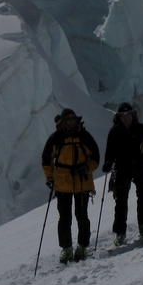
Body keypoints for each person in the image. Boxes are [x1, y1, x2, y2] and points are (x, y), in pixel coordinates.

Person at [42, 108, 100, 263]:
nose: (71, 122)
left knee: (81, 216)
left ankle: (82, 246)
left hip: (81, 180)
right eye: (68, 119)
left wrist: (86, 168)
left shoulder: (84, 136)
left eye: (73, 119)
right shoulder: (56, 138)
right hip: (63, 183)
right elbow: (46, 160)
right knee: (65, 217)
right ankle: (66, 248)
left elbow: (95, 157)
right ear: (63, 121)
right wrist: (50, 178)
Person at [102, 102, 143, 245]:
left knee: (142, 195)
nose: (126, 117)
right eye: (123, 115)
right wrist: (108, 163)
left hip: (139, 165)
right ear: (119, 116)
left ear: (132, 114)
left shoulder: (142, 129)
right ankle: (121, 232)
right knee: (121, 200)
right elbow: (109, 152)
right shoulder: (115, 132)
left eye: (128, 114)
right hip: (123, 167)